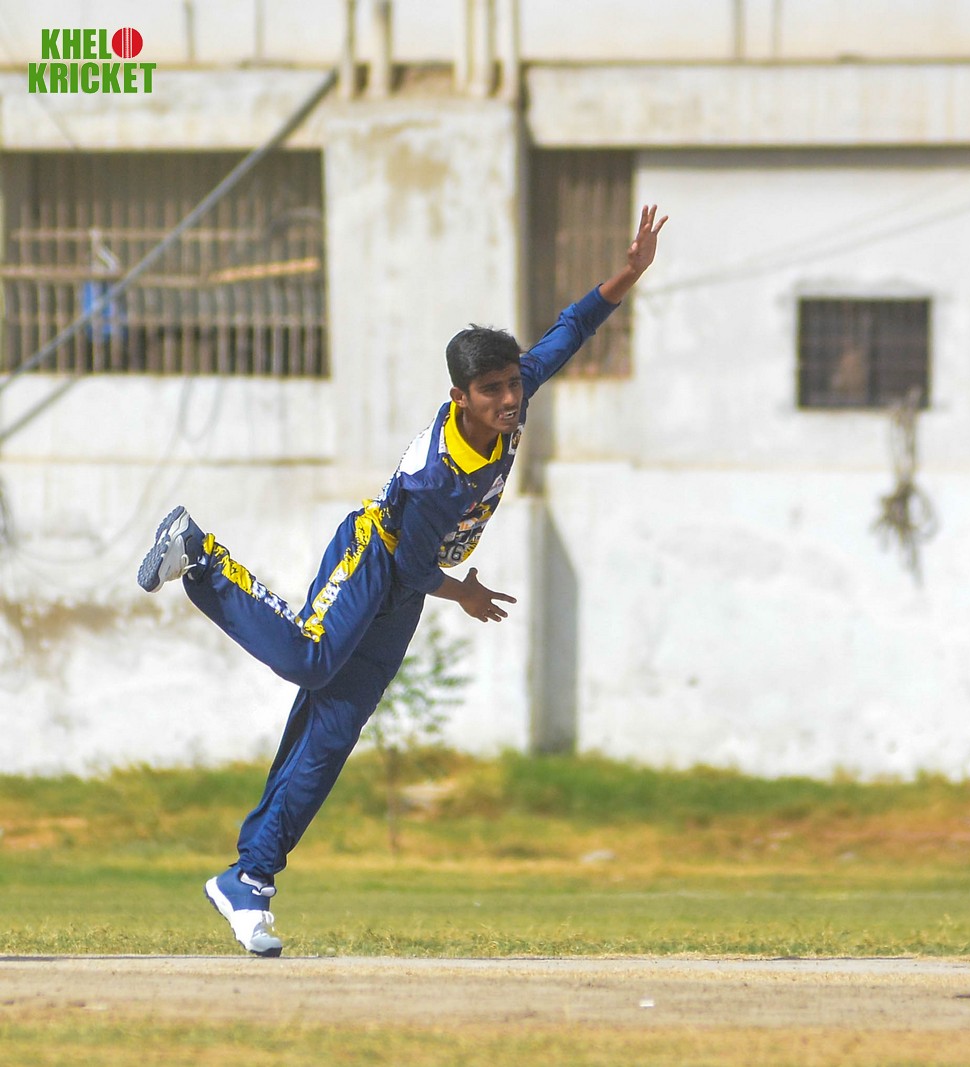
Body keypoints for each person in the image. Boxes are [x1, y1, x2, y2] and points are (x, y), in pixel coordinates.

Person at [136, 205, 668, 957]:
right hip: (375, 556)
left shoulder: (515, 396)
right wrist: (466, 593)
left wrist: (629, 274)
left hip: (407, 589)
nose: (509, 400)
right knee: (311, 658)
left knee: (332, 733)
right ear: (460, 398)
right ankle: (201, 555)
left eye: (512, 384)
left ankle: (249, 877)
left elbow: (570, 328)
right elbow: (416, 567)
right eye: (491, 390)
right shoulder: (437, 477)